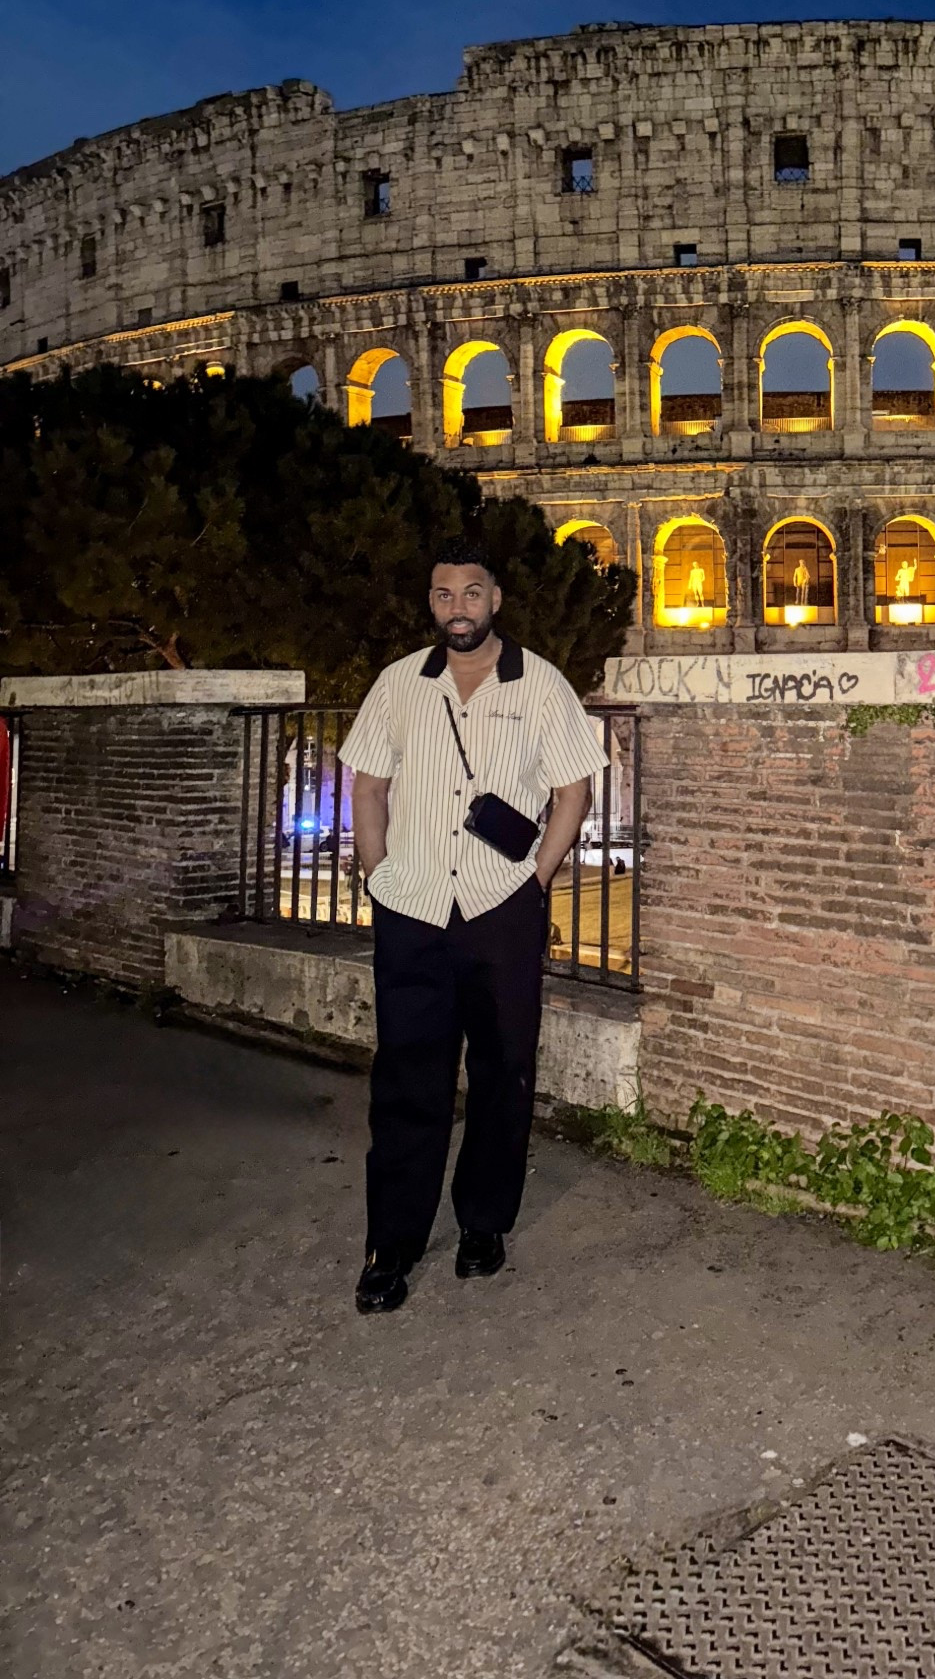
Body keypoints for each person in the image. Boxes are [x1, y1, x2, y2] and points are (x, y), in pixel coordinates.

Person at [340, 539, 608, 1315]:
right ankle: (390, 1244)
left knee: (502, 1075)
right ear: (432, 604)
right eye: (443, 595)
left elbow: (572, 794)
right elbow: (367, 785)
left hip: (501, 909)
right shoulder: (398, 685)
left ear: (496, 599)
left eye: (471, 593)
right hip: (413, 908)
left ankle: (483, 1225)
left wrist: (535, 881)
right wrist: (376, 874)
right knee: (406, 1080)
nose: (457, 607)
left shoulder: (543, 685)